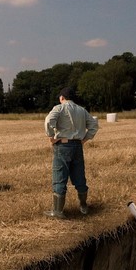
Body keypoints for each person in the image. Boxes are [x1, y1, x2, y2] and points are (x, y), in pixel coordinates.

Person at [44, 87, 98, 217]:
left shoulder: (59, 108)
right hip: (77, 146)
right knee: (79, 175)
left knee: (59, 176)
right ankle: (83, 206)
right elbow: (94, 126)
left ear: (62, 97)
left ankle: (58, 211)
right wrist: (84, 139)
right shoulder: (82, 110)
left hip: (63, 145)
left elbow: (48, 121)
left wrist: (51, 136)